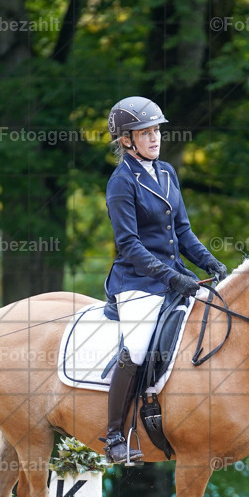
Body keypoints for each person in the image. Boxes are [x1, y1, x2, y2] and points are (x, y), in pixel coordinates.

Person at [101, 96, 227, 464]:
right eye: (145, 132)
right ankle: (112, 438)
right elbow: (129, 245)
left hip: (176, 279)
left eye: (156, 130)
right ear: (126, 140)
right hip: (137, 282)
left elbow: (183, 232)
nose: (155, 137)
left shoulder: (167, 172)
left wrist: (210, 263)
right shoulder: (121, 182)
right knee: (138, 348)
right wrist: (173, 278)